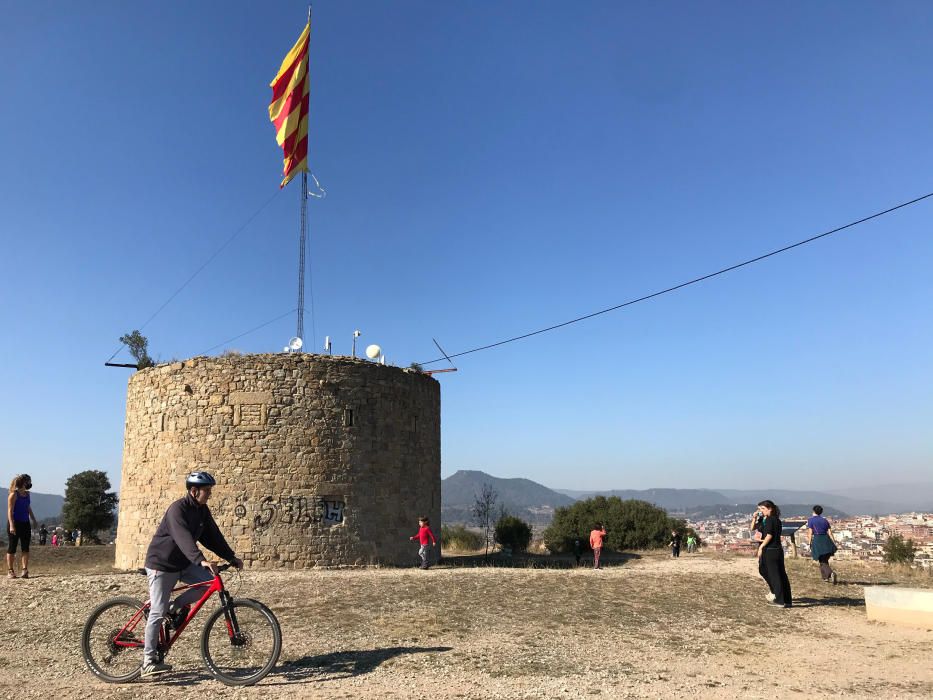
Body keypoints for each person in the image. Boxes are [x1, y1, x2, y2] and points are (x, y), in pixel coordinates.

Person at [142, 471, 243, 677]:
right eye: (207, 491)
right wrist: (200, 560)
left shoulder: (201, 511)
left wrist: (230, 556)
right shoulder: (177, 510)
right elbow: (183, 538)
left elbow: (213, 536)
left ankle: (174, 607)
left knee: (208, 583)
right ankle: (148, 660)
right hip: (161, 564)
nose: (209, 494)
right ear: (194, 491)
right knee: (158, 611)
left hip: (183, 563)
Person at [756, 499, 792, 608]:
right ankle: (787, 600)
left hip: (770, 550)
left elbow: (769, 535)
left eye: (763, 508)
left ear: (770, 509)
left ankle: (779, 600)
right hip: (778, 550)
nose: (761, 511)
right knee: (781, 574)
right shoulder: (777, 520)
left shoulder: (770, 520)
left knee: (774, 575)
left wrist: (761, 547)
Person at [7, 474, 38, 579]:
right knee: (12, 548)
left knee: (25, 548)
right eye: (28, 481)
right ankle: (10, 571)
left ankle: (25, 570)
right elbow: (10, 511)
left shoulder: (27, 494)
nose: (29, 483)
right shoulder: (13, 495)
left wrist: (33, 519)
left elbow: (28, 507)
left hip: (25, 523)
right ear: (23, 482)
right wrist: (11, 525)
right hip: (15, 523)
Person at [806, 505, 838, 584]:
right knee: (824, 559)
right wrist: (834, 542)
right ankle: (825, 578)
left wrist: (809, 543)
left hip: (818, 539)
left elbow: (810, 533)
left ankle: (831, 573)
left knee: (821, 559)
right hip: (826, 539)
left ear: (814, 511)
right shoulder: (825, 520)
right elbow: (830, 533)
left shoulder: (811, 520)